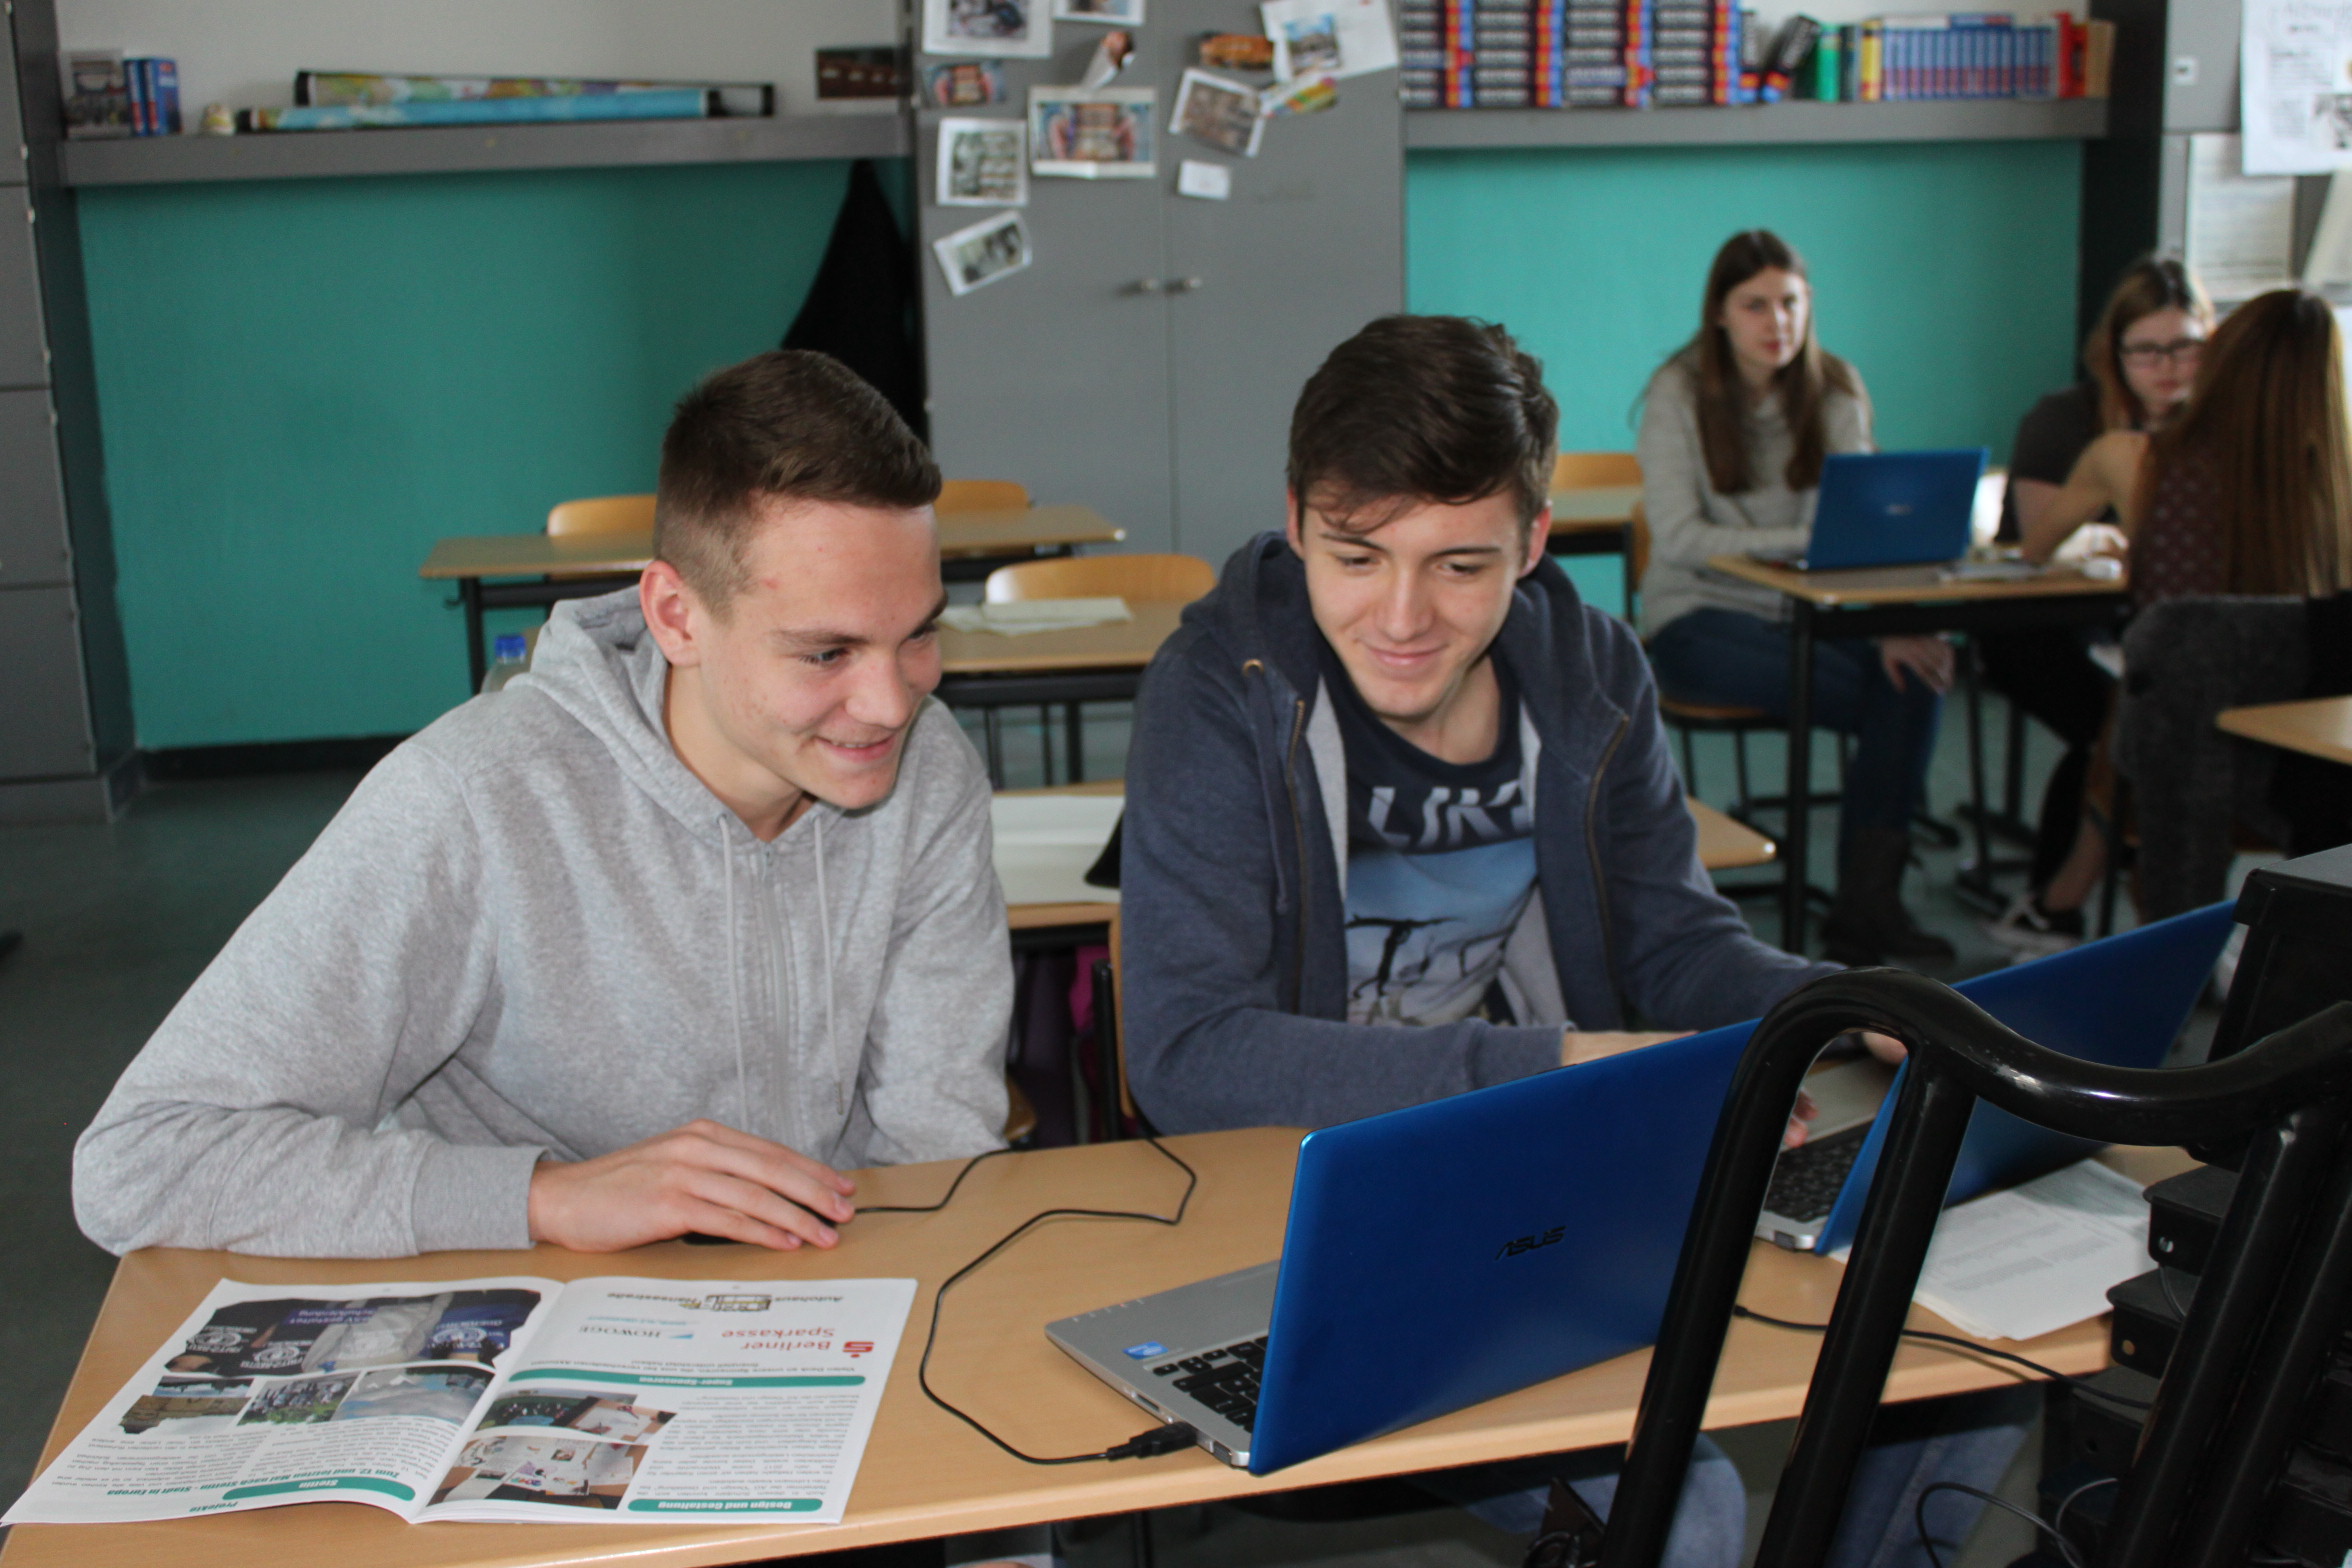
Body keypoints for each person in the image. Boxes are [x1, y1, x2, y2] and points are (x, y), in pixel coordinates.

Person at [1120, 313, 2018, 1567]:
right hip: (1306, 1197)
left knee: (1975, 1368)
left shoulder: (1590, 672)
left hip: (1541, 1182)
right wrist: (1557, 1068)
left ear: (1536, 541)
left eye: (1461, 565)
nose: (1401, 615)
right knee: (1690, 1509)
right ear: (1297, 523)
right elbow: (1188, 1052)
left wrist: (1847, 1000)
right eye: (1357, 556)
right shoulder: (1226, 688)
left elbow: (1676, 947)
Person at [73, 349, 1014, 1260]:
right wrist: (547, 1197)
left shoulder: (927, 769)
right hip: (540, 1303)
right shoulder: (470, 800)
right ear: (676, 616)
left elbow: (936, 1144)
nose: (892, 704)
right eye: (826, 653)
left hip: (824, 1293)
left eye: (918, 633)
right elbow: (142, 1160)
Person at [1637, 229, 1955, 967]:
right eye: (1755, 305)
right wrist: (1806, 540)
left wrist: (1884, 624)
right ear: (1720, 314)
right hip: (1697, 616)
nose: (1776, 322)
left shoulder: (1835, 386)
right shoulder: (1677, 391)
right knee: (1888, 692)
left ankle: (1867, 908)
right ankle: (1859, 911)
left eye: (1790, 302)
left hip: (1810, 613)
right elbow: (1679, 537)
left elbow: (1861, 529)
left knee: (1913, 676)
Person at [2020, 286, 2352, 920]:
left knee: (2138, 692)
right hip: (2309, 767)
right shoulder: (2340, 488)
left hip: (2175, 752)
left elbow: (2034, 547)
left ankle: (2061, 902)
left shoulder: (2133, 457)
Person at [1979, 257, 2213, 956]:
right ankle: (2071, 903)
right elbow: (2036, 540)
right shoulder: (2068, 419)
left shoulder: (2217, 428)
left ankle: (2130, 910)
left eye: (2184, 347)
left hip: (2142, 627)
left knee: (2156, 715)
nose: (2166, 367)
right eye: (2146, 351)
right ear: (2113, 353)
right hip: (2037, 621)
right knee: (2115, 723)